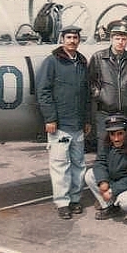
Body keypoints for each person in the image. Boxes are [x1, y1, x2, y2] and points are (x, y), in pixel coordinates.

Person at [36, 25, 91, 220]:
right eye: (68, 37)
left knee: (78, 164)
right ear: (62, 39)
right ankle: (62, 202)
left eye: (75, 37)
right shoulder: (51, 62)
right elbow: (43, 92)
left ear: (79, 40)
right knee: (60, 165)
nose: (72, 41)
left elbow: (85, 95)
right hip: (60, 126)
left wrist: (86, 120)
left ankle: (75, 199)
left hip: (77, 125)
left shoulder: (82, 63)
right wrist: (50, 118)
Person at [88, 19, 127, 153]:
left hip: (126, 114)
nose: (120, 42)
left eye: (124, 39)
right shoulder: (99, 57)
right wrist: (101, 95)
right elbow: (90, 82)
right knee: (104, 150)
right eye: (117, 38)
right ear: (111, 39)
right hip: (105, 113)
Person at [84, 114, 127, 223]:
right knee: (90, 175)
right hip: (116, 180)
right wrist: (103, 181)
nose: (116, 138)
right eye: (112, 134)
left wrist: (112, 190)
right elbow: (100, 162)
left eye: (120, 134)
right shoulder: (107, 143)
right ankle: (111, 207)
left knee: (126, 202)